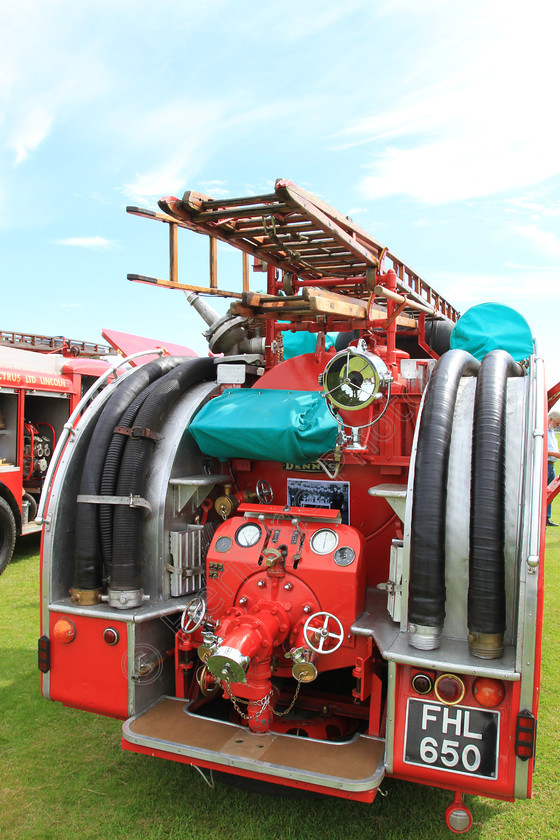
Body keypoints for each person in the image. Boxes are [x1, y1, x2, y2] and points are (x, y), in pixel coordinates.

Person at [546, 410, 560, 525]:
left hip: (552, 465)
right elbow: (544, 451)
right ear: (551, 419)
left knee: (550, 492)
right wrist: (556, 454)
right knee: (544, 492)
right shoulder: (544, 432)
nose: (557, 426)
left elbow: (553, 450)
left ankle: (546, 518)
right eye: (557, 423)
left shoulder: (551, 432)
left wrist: (557, 452)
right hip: (546, 465)